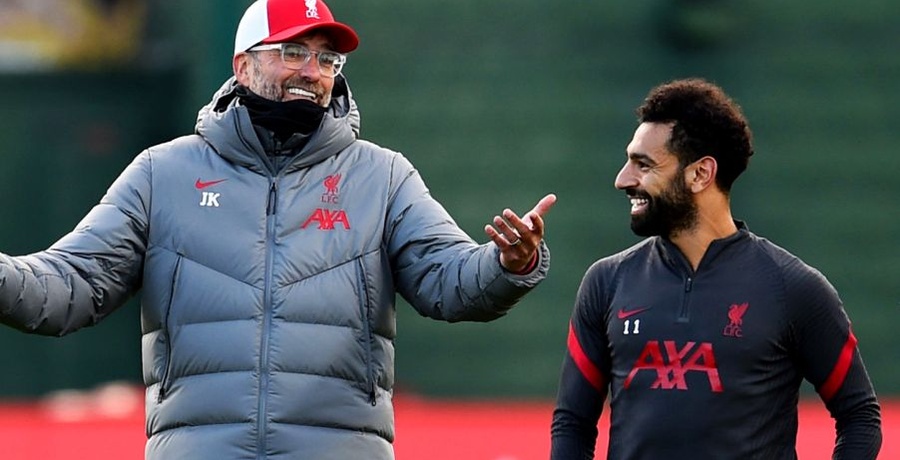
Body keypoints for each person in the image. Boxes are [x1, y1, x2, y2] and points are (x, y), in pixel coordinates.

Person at [0, 0, 557, 458]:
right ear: (243, 67)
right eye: (293, 52)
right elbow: (70, 284)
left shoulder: (383, 176)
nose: (312, 72)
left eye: (327, 59)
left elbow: (448, 281)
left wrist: (506, 263)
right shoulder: (161, 173)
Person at [550, 78, 881, 459]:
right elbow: (572, 423)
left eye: (644, 165)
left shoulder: (794, 288)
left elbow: (860, 417)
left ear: (700, 174)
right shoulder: (606, 282)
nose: (622, 179)